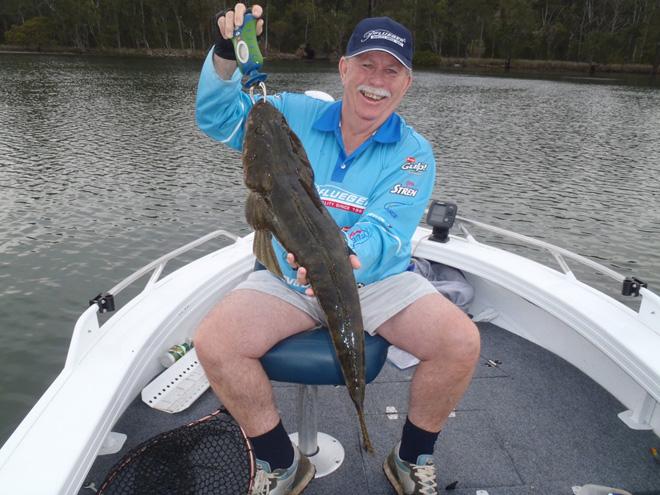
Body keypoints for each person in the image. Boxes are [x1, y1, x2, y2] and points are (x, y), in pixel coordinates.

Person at [194, 4, 480, 494]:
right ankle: (280, 463)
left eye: (392, 71)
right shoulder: (287, 113)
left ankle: (410, 458)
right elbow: (216, 117)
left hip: (376, 279)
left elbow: (387, 229)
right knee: (215, 342)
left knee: (460, 343)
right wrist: (226, 53)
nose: (377, 80)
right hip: (287, 274)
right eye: (366, 64)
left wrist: (339, 256)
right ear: (344, 68)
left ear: (406, 84)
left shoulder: (414, 153)